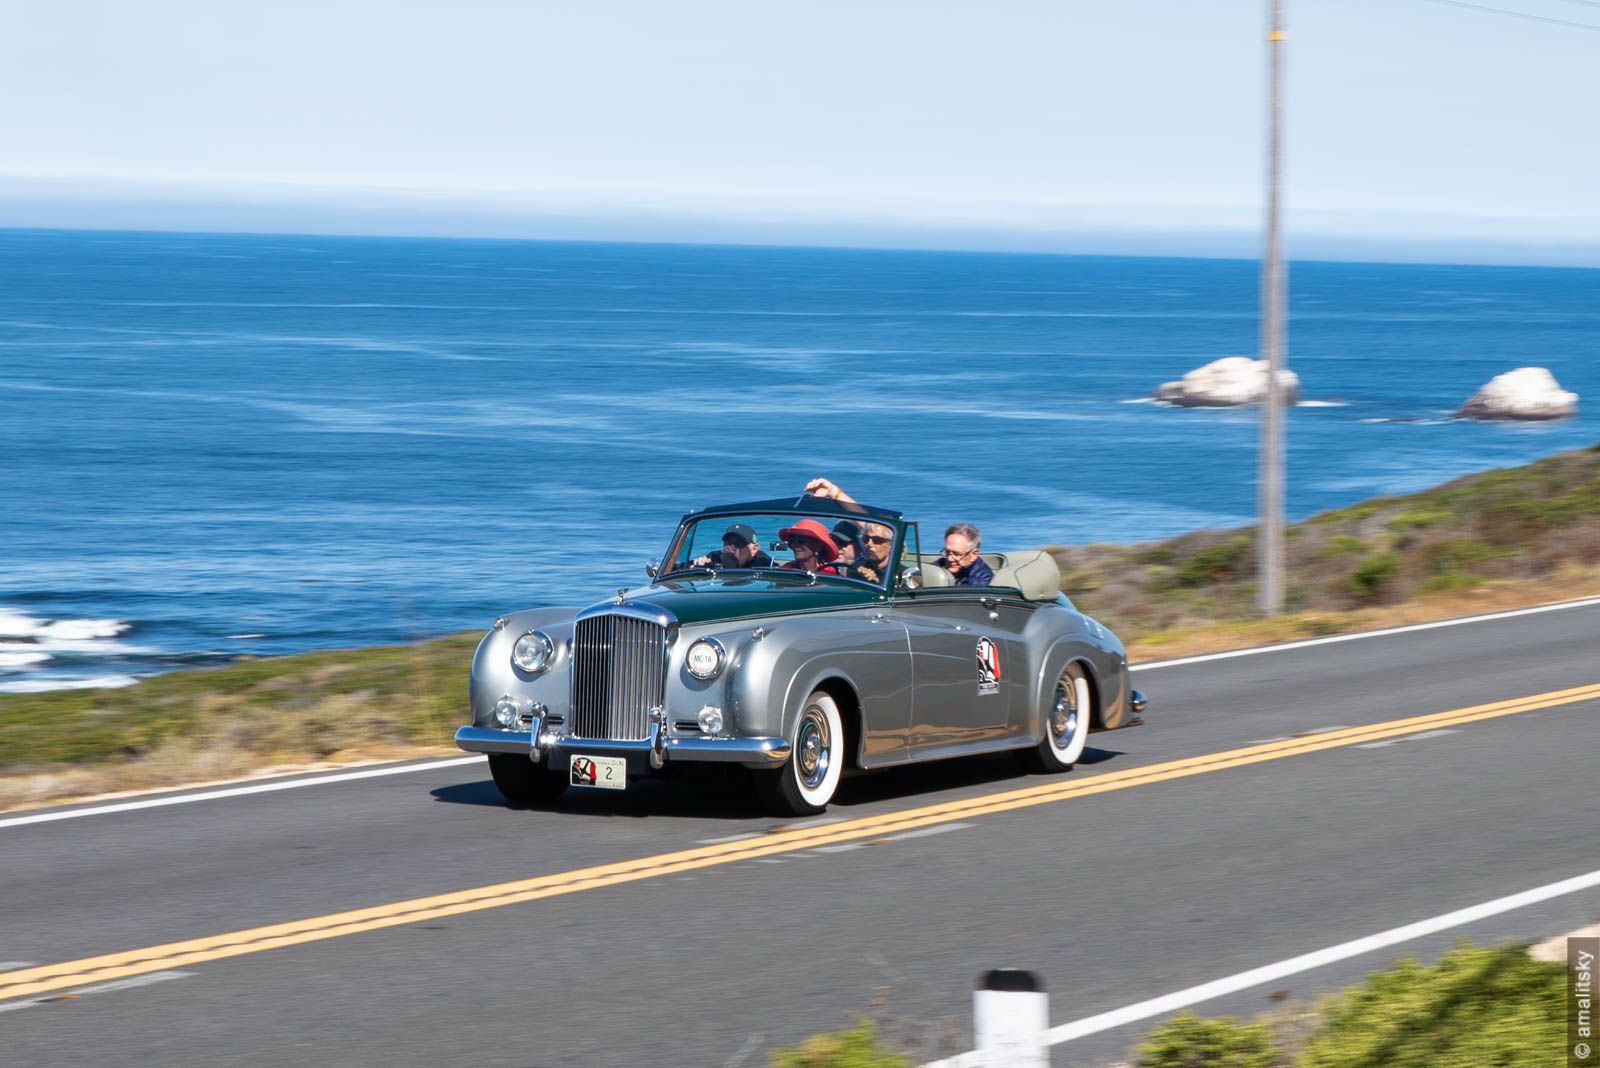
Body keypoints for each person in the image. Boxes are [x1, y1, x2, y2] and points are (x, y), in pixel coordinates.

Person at [692, 523, 773, 569]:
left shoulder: (764, 563)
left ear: (755, 549)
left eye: (739, 544)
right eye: (727, 543)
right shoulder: (714, 557)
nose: (732, 548)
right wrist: (700, 565)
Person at [776, 519, 841, 575]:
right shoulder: (786, 570)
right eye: (792, 540)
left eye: (801, 540)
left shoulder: (831, 574)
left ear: (818, 546)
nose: (795, 544)